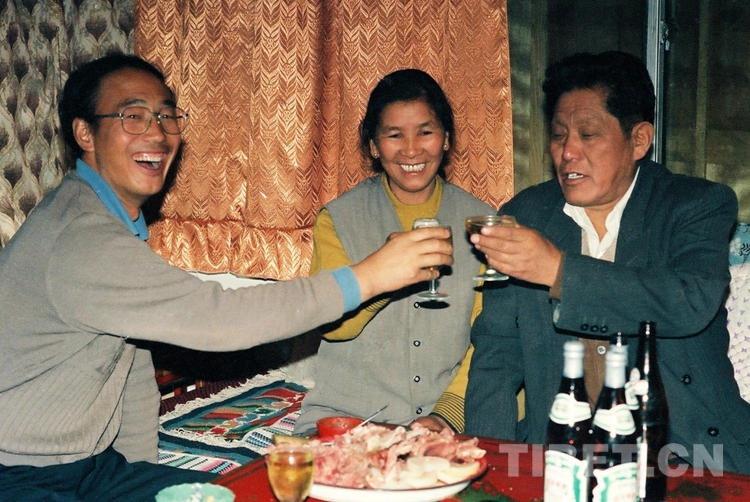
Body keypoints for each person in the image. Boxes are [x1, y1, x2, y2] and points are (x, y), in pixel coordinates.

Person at [0, 53, 454, 501]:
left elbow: (133, 364)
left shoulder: (107, 220)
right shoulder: (81, 236)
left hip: (95, 468)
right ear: (85, 133)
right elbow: (220, 318)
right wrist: (370, 276)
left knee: (234, 496)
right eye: (133, 117)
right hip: (17, 474)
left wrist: (144, 475)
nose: (156, 133)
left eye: (166, 116)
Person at [464, 51, 750, 474]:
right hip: (561, 453)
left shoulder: (694, 204)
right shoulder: (527, 214)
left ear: (639, 140)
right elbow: (497, 356)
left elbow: (690, 301)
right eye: (559, 135)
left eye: (588, 134)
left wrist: (559, 272)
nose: (568, 152)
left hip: (688, 453)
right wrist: (489, 464)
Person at [294, 69, 494, 435]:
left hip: (446, 421)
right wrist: (385, 278)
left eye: (425, 132)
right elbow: (333, 328)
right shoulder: (339, 219)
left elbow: (490, 338)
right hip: (348, 419)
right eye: (394, 134)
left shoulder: (482, 224)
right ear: (374, 146)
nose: (411, 149)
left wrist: (447, 414)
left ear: (446, 138)